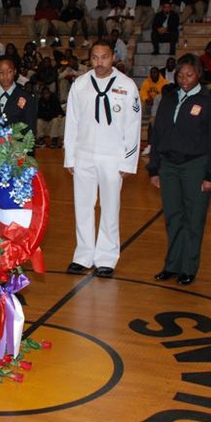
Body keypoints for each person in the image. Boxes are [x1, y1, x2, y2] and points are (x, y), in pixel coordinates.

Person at [147, 54, 211, 285]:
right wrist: (154, 168)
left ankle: (189, 267)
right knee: (173, 217)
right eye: (180, 74)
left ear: (199, 75)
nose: (184, 79)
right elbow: (158, 133)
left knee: (193, 219)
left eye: (189, 74)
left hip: (196, 166)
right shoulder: (169, 99)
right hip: (169, 166)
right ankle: (172, 264)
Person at [63, 41, 142, 278]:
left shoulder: (127, 86)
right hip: (84, 154)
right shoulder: (80, 84)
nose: (99, 62)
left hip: (113, 156)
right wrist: (70, 157)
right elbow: (72, 122)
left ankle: (106, 257)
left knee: (110, 207)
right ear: (90, 59)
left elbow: (133, 126)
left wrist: (128, 162)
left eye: (104, 57)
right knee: (83, 206)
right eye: (95, 58)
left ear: (113, 57)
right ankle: (83, 255)